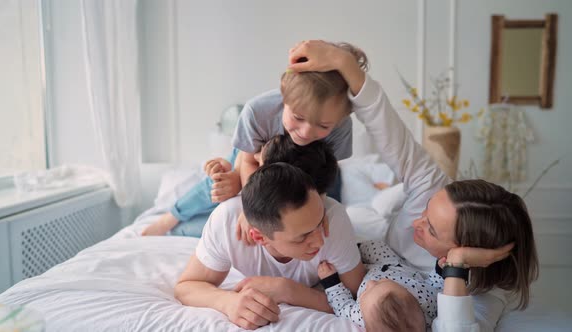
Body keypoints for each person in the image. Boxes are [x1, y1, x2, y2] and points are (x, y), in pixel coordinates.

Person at [284, 40, 538, 331]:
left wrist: (456, 266)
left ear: (458, 250)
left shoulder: (482, 293)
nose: (416, 222)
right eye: (428, 210)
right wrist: (345, 64)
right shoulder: (432, 191)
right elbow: (390, 134)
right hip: (364, 232)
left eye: (431, 229)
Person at [141, 41, 369, 237]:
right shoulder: (259, 111)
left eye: (323, 125)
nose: (307, 132)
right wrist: (249, 210)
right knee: (222, 183)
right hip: (252, 158)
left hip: (299, 171)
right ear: (284, 97)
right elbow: (247, 160)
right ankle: (171, 218)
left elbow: (326, 174)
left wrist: (317, 211)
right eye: (298, 117)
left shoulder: (341, 125)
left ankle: (184, 229)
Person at [174, 135, 365, 330]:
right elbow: (187, 286)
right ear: (259, 237)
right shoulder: (227, 220)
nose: (319, 241)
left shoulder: (332, 219)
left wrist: (288, 290)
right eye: (303, 236)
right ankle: (171, 217)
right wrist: (227, 302)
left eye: (319, 222)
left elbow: (359, 300)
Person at [317, 240, 443, 332]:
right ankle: (357, 247)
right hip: (391, 264)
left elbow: (342, 306)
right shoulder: (428, 300)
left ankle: (353, 252)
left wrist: (331, 282)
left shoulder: (360, 317)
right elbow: (437, 284)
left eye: (365, 293)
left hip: (364, 273)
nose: (371, 283)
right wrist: (441, 268)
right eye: (382, 283)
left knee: (351, 257)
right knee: (377, 246)